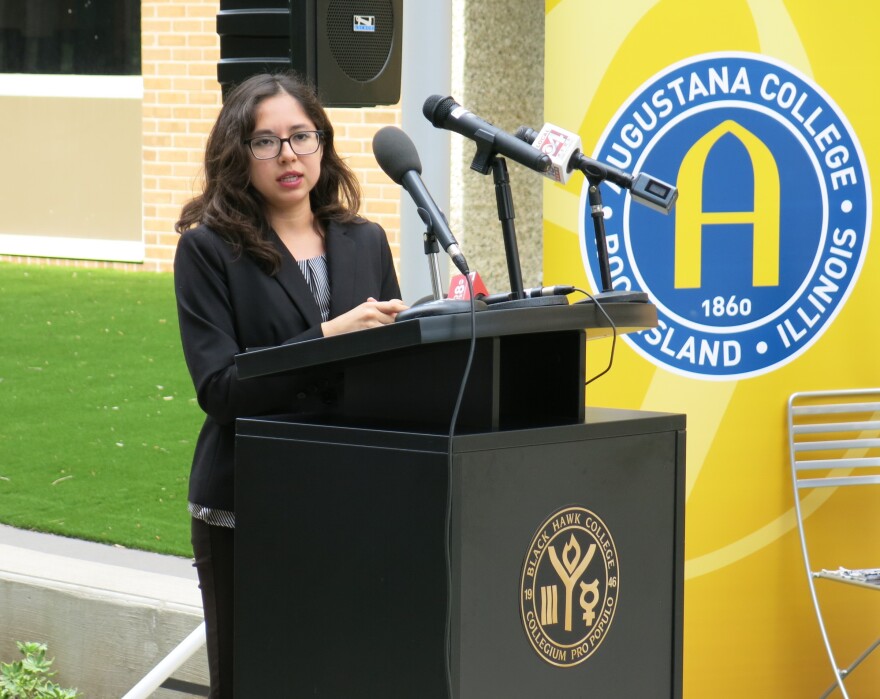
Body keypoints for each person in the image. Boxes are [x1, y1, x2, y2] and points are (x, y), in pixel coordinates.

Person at [173, 71, 407, 697]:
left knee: (337, 673)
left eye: (301, 136)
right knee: (254, 679)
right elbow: (221, 389)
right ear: (236, 154)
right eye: (266, 141)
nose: (288, 156)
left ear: (323, 144)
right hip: (249, 500)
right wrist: (327, 337)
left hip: (347, 494)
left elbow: (387, 372)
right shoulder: (207, 250)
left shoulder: (366, 241)